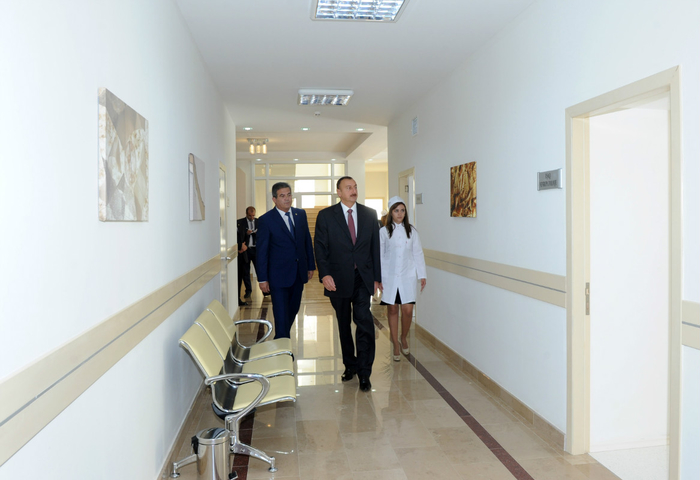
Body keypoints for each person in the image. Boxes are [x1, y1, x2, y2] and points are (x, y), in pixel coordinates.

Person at [314, 176, 381, 392]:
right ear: (339, 192)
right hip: (338, 279)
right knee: (343, 324)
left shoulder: (369, 214)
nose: (353, 190)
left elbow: (375, 247)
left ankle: (364, 372)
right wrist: (325, 274)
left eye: (355, 187)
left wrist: (377, 277)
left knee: (364, 322)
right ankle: (349, 365)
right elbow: (320, 247)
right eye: (348, 187)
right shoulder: (326, 216)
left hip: (362, 277)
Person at [256, 182, 315, 339]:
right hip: (278, 276)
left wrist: (310, 265)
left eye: (289, 195)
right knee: (281, 313)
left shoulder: (300, 214)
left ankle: (281, 338)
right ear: (274, 199)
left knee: (293, 310)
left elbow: (307, 241)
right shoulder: (266, 220)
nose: (287, 199)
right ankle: (282, 344)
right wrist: (262, 278)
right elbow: (261, 252)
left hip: (298, 273)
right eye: (282, 196)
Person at [380, 196, 427, 361]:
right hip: (390, 277)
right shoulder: (383, 232)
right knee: (392, 309)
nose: (399, 214)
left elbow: (418, 253)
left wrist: (422, 274)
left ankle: (403, 337)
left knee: (407, 310)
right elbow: (380, 255)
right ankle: (395, 343)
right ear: (391, 212)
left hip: (407, 276)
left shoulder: (412, 231)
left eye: (402, 210)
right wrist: (378, 278)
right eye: (396, 210)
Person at [237, 206, 258, 304]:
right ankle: (248, 291)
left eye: (253, 215)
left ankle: (265, 291)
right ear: (246, 214)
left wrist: (255, 233)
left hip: (256, 249)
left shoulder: (259, 222)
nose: (252, 217)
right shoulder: (240, 222)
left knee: (260, 269)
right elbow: (238, 236)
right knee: (245, 271)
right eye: (250, 216)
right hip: (245, 250)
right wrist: (246, 234)